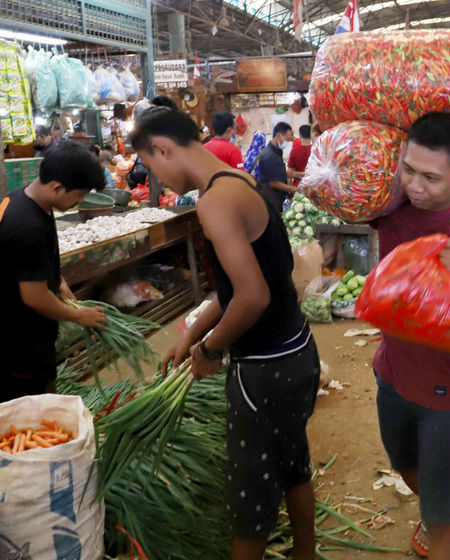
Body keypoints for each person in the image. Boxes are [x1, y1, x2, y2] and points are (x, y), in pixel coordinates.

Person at [133, 107, 320, 560]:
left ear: (162, 148)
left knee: (250, 497)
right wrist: (191, 333)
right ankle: (307, 555)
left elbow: (251, 296)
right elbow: (247, 284)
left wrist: (210, 350)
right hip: (297, 351)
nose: (156, 176)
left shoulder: (212, 200)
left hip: (263, 369)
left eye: (151, 165)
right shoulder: (241, 180)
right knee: (294, 467)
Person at [371, 112, 450, 560]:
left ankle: (442, 519)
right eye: (408, 170)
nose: (416, 186)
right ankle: (435, 510)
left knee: (446, 528)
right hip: (391, 375)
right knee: (405, 466)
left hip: (447, 394)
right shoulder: (391, 209)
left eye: (431, 177)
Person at [0, 144, 108, 402]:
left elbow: (34, 263)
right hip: (18, 340)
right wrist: (78, 315)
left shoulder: (22, 198)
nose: (81, 201)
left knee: (44, 394)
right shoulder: (27, 226)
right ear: (57, 187)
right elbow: (34, 297)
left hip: (27, 330)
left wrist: (60, 286)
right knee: (30, 409)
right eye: (80, 195)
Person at [257, 122, 299, 213]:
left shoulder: (276, 152)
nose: (288, 143)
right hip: (272, 199)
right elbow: (273, 183)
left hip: (278, 197)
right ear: (279, 136)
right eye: (287, 140)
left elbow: (279, 172)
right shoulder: (269, 156)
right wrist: (296, 189)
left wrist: (298, 174)